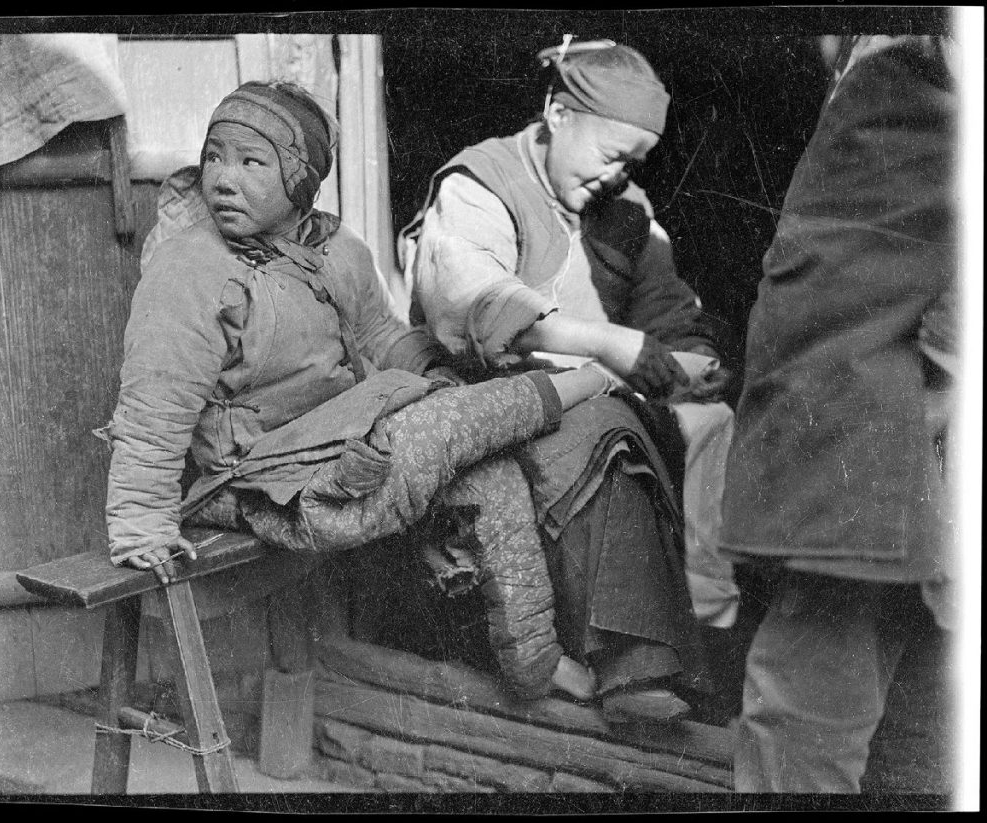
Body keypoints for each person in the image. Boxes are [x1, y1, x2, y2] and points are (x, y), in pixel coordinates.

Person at [100, 80, 624, 704]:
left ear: (301, 181)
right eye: (214, 156)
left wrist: (435, 375)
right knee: (442, 429)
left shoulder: (335, 250)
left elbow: (379, 334)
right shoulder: (191, 270)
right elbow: (155, 402)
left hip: (339, 444)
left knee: (488, 467)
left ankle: (535, 659)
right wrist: (139, 523)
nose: (222, 177)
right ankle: (596, 377)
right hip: (257, 482)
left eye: (251, 161)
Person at [399, 39, 737, 721]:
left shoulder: (626, 210)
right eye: (613, 156)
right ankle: (632, 665)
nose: (620, 177)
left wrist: (690, 357)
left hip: (589, 391)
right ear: (558, 111)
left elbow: (667, 310)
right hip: (485, 397)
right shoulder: (480, 185)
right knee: (603, 432)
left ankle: (712, 637)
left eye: (635, 164)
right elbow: (474, 303)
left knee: (712, 421)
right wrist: (606, 343)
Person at [719, 34, 958, 792]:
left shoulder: (916, 63)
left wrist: (949, 368)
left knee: (802, 723)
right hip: (882, 461)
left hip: (871, 458)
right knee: (912, 730)